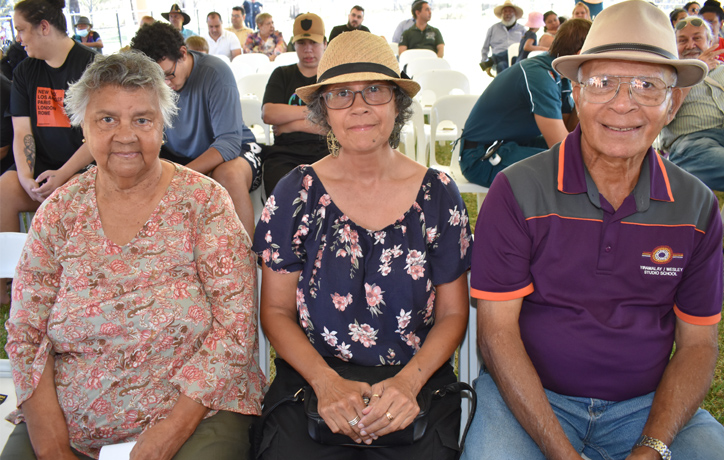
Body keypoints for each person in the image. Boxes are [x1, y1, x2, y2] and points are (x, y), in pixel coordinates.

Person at [461, 2, 724, 459]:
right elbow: (497, 335)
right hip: (528, 397)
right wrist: (562, 453)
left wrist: (651, 447)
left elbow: (698, 345)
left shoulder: (696, 207)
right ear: (576, 93)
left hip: (645, 405)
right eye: (603, 82)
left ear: (673, 104)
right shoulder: (517, 190)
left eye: (647, 86)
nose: (623, 103)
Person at [0, 51, 265, 460]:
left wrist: (172, 431)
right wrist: (51, 445)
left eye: (142, 120)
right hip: (70, 415)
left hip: (198, 409)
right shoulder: (59, 212)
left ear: (162, 125)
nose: (125, 136)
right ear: (83, 127)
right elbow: (26, 332)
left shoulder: (203, 201)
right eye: (107, 119)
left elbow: (235, 325)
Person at [252, 30, 472, 459]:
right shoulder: (296, 193)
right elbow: (275, 311)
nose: (359, 107)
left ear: (397, 103)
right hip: (313, 377)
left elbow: (452, 313)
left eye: (374, 90)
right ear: (323, 110)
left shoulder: (438, 193)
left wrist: (407, 384)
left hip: (415, 378)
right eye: (341, 94)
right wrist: (326, 383)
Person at [0, 0, 96, 305]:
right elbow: (22, 132)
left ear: (44, 27)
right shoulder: (25, 70)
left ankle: (74, 288)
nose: (18, 38)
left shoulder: (91, 66)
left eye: (21, 29)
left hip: (83, 171)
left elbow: (99, 137)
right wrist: (26, 179)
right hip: (42, 171)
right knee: (5, 188)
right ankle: (10, 286)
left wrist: (64, 175)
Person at [131, 22, 263, 237]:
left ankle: (245, 251)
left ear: (183, 53)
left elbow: (228, 143)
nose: (164, 85)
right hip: (179, 157)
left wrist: (177, 177)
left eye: (168, 74)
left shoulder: (215, 72)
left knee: (228, 175)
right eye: (156, 79)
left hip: (234, 151)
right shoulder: (153, 81)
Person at [459, 18, 591, 188]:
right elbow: (562, 148)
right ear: (580, 54)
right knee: (571, 168)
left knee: (582, 156)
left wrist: (583, 90)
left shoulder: (560, 73)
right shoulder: (540, 76)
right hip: (480, 157)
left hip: (509, 145)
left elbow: (569, 132)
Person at [662, 16, 724, 297]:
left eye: (698, 38)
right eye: (683, 40)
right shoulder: (669, 74)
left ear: (711, 42)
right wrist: (695, 70)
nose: (691, 44)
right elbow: (664, 115)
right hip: (692, 144)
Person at [261, 12, 328, 195]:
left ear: (325, 43)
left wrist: (289, 125)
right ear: (294, 44)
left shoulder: (331, 79)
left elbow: (332, 125)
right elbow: (268, 114)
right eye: (302, 43)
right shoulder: (282, 74)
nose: (308, 50)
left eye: (313, 43)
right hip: (284, 153)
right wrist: (315, 112)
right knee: (281, 197)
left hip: (326, 151)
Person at [480, 0, 526, 74]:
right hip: (500, 62)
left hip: (516, 59)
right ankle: (493, 60)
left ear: (515, 13)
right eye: (505, 11)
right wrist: (484, 59)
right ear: (501, 14)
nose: (507, 13)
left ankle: (493, 60)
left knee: (514, 57)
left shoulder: (522, 29)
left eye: (510, 11)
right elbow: (485, 48)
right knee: (501, 65)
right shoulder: (493, 28)